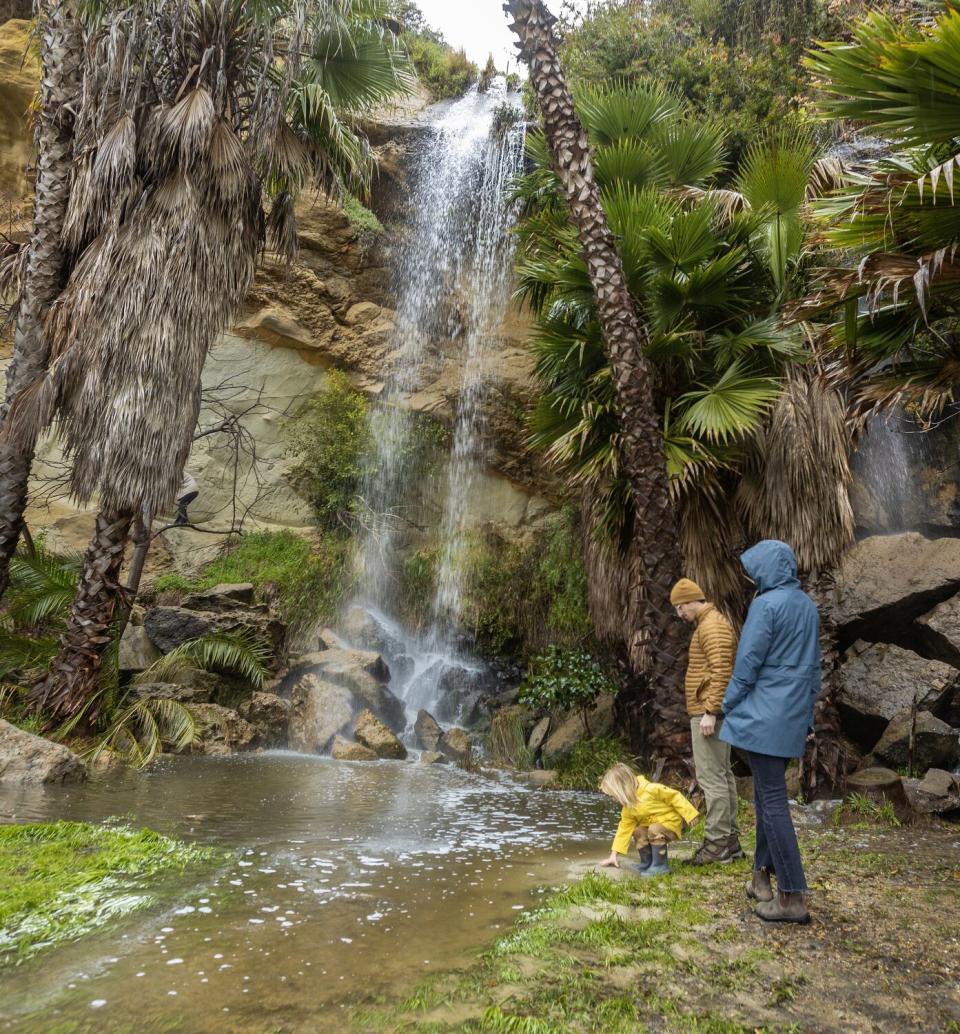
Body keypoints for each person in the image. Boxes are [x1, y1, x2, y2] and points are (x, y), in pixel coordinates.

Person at [719, 540, 820, 925]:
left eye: (753, 570)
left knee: (773, 803)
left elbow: (748, 662)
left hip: (763, 716)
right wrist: (804, 716)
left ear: (765, 569)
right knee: (765, 797)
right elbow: (814, 671)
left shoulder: (766, 605)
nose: (751, 577)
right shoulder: (806, 605)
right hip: (790, 714)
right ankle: (760, 880)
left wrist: (726, 703)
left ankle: (791, 896)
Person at [670, 577, 744, 865]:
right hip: (710, 712)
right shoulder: (710, 623)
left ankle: (716, 846)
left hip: (708, 714)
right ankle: (730, 842)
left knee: (712, 778)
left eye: (679, 607)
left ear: (690, 600)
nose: (679, 614)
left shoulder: (711, 626)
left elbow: (722, 670)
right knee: (723, 776)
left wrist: (710, 712)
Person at [598, 763, 700, 878]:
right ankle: (646, 863)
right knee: (637, 831)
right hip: (652, 828)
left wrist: (690, 814)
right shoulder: (628, 808)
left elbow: (675, 797)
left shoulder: (651, 789)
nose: (613, 799)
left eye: (614, 795)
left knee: (654, 829)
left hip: (670, 824)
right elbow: (623, 830)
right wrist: (613, 855)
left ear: (622, 789)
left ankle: (660, 866)